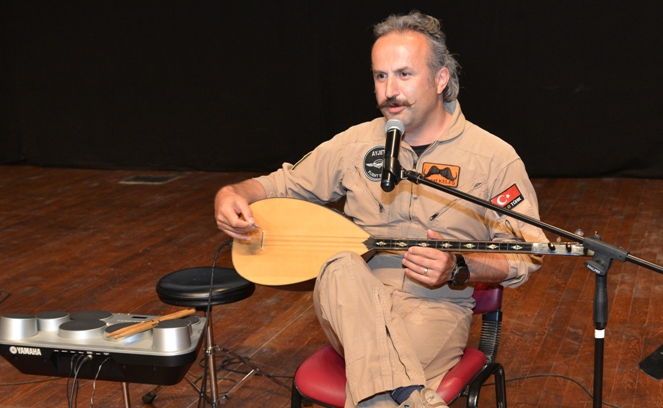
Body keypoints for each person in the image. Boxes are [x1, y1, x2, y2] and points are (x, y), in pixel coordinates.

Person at [214, 11, 546, 408]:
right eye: (380, 76)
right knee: (340, 265)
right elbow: (281, 185)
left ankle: (396, 397)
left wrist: (459, 266)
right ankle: (409, 395)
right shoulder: (353, 144)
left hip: (433, 309)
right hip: (351, 307)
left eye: (404, 74)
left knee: (379, 390)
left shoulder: (493, 157)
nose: (390, 91)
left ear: (440, 79)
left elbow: (527, 252)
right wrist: (232, 193)